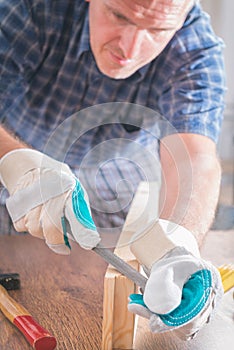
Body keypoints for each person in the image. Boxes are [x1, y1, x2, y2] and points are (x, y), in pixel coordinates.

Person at [0, 0, 226, 341]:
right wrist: (17, 164)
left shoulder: (195, 49)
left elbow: (196, 157)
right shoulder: (32, 8)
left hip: (107, 225)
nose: (130, 48)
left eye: (157, 30)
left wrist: (180, 245)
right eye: (118, 15)